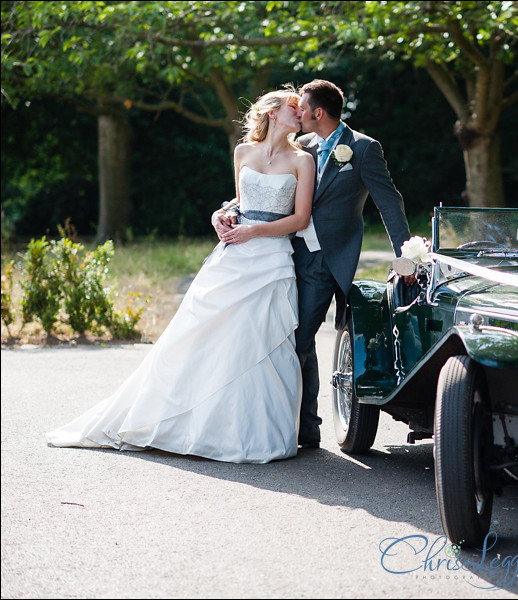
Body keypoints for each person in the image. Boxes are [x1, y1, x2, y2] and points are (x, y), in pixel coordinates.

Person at [46, 87, 316, 464]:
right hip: (234, 258)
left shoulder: (303, 160)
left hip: (270, 259)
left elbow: (300, 219)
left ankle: (251, 433)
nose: (301, 114)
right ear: (271, 112)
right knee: (206, 338)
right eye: (293, 108)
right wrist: (218, 216)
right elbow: (240, 202)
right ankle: (189, 423)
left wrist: (252, 231)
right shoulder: (242, 153)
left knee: (262, 342)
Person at [214, 79, 412, 449]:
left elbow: (389, 202)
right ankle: (299, 426)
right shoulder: (299, 145)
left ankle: (303, 427)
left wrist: (406, 254)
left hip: (325, 259)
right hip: (284, 253)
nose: (298, 112)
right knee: (284, 336)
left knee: (300, 338)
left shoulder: (363, 149)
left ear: (318, 112)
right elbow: (260, 189)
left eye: (302, 107)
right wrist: (224, 210)